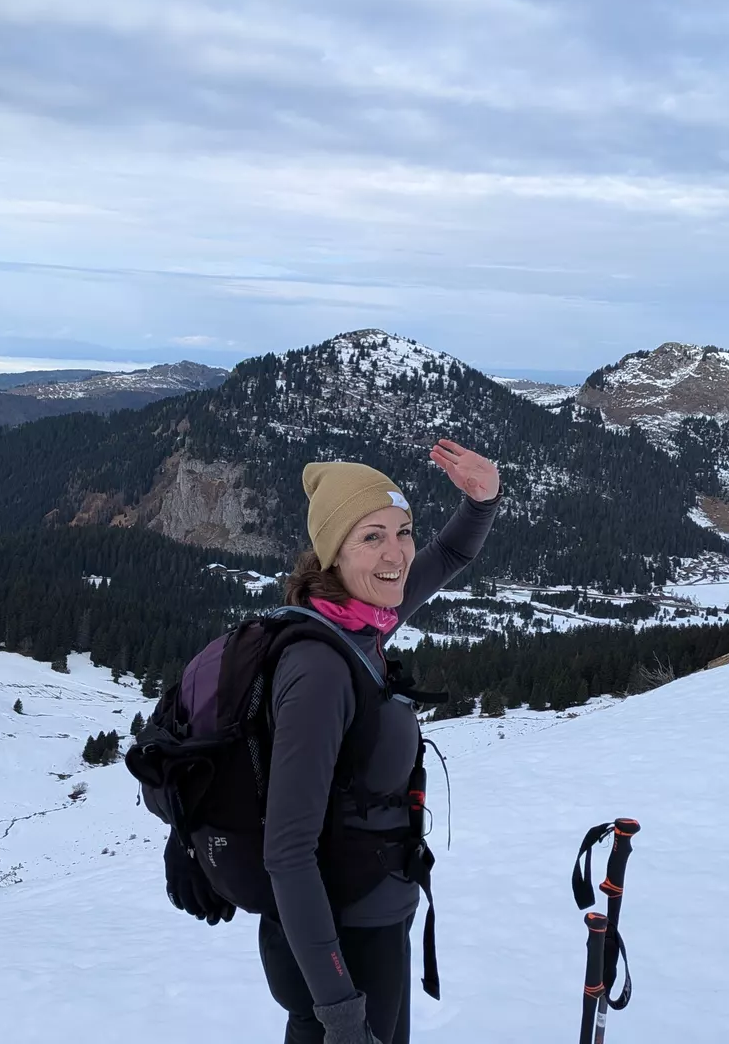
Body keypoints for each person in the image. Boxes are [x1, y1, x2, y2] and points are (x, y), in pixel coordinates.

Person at [257, 438, 501, 1044]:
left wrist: (482, 501)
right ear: (331, 554)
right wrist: (341, 1012)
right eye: (372, 536)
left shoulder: (365, 620)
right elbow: (287, 854)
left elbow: (449, 553)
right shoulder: (319, 669)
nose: (397, 554)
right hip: (342, 954)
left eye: (403, 530)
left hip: (377, 923)